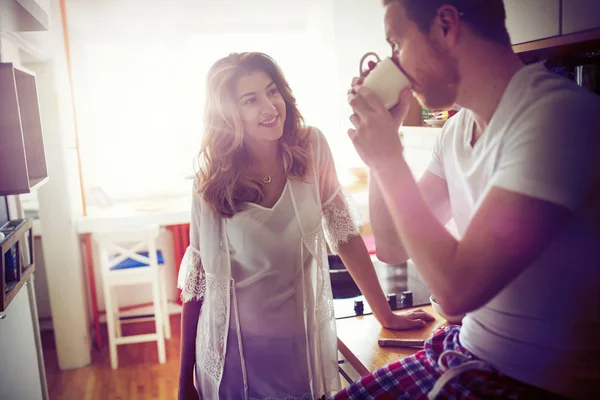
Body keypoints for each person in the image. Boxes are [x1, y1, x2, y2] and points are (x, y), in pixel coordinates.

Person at [337, 0, 600, 399]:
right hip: (465, 352)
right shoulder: (457, 131)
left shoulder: (557, 116)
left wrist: (389, 158)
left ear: (446, 25)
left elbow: (457, 289)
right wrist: (380, 155)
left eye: (397, 44)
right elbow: (391, 246)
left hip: (532, 383)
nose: (396, 64)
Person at [176, 52, 434, 400]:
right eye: (250, 100)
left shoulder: (311, 147)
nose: (269, 106)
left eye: (272, 91)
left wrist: (385, 314)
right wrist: (183, 383)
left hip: (302, 351)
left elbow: (344, 234)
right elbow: (197, 286)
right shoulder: (210, 182)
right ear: (227, 113)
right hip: (234, 361)